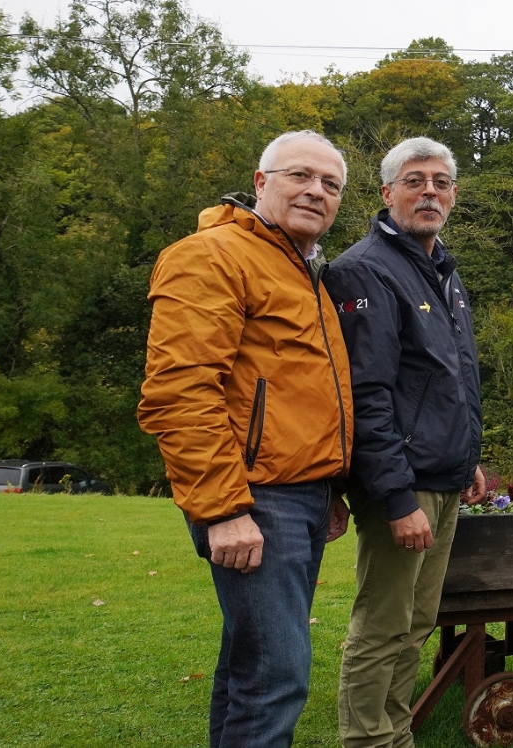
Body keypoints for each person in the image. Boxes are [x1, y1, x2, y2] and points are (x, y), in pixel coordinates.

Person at [137, 130, 354, 748]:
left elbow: (304, 395)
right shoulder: (212, 255)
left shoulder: (303, 271)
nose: (316, 191)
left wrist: (331, 489)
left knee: (253, 665)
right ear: (261, 182)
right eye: (300, 176)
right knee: (276, 673)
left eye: (330, 184)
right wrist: (224, 509)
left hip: (301, 498)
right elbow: (180, 391)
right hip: (253, 499)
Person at [324, 137, 485, 748]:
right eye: (414, 181)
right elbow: (367, 394)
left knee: (416, 623)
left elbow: (452, 377)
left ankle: (397, 733)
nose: (429, 192)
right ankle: (369, 740)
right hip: (403, 482)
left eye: (441, 182)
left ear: (453, 196)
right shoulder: (365, 268)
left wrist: (467, 457)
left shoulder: (442, 269)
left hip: (442, 475)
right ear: (387, 191)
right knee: (383, 623)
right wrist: (395, 497)